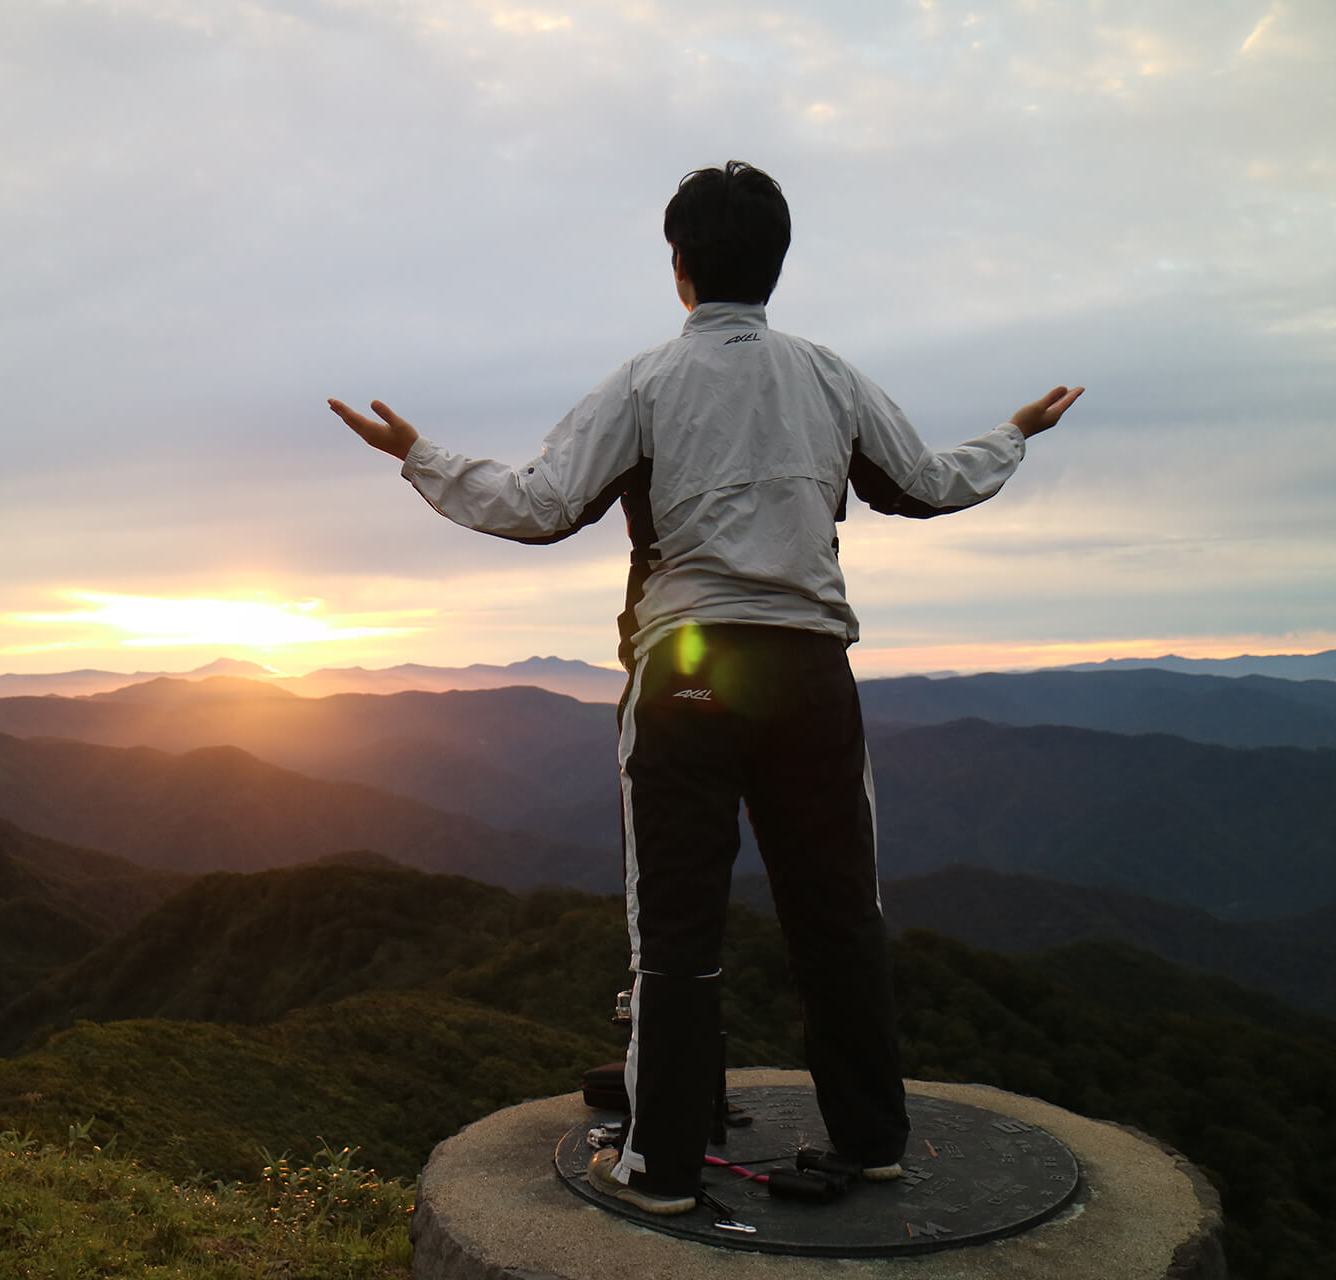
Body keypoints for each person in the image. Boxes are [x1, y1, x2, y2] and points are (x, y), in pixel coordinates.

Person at [328, 161, 1082, 1215]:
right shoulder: (830, 376)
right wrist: (1015, 434)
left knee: (675, 929)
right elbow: (924, 482)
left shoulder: (644, 382)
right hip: (812, 675)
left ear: (679, 266)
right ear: (776, 264)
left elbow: (542, 503)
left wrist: (419, 453)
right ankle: (870, 1142)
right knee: (839, 915)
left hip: (685, 677)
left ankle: (661, 1167)